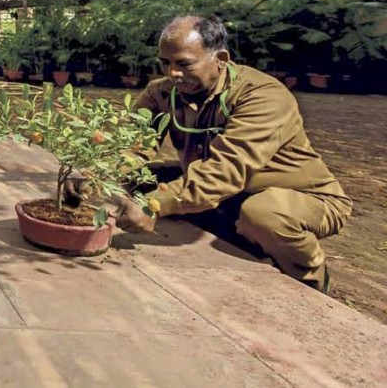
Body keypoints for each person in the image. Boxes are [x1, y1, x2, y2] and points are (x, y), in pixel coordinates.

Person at [114, 15, 352, 293]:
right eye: (165, 63)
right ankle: (236, 234)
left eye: (184, 63)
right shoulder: (161, 93)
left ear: (221, 59)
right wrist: (96, 179)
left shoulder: (263, 96)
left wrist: (152, 206)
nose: (172, 73)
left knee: (263, 215)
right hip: (229, 192)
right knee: (141, 179)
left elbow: (225, 171)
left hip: (298, 197)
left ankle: (311, 279)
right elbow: (133, 147)